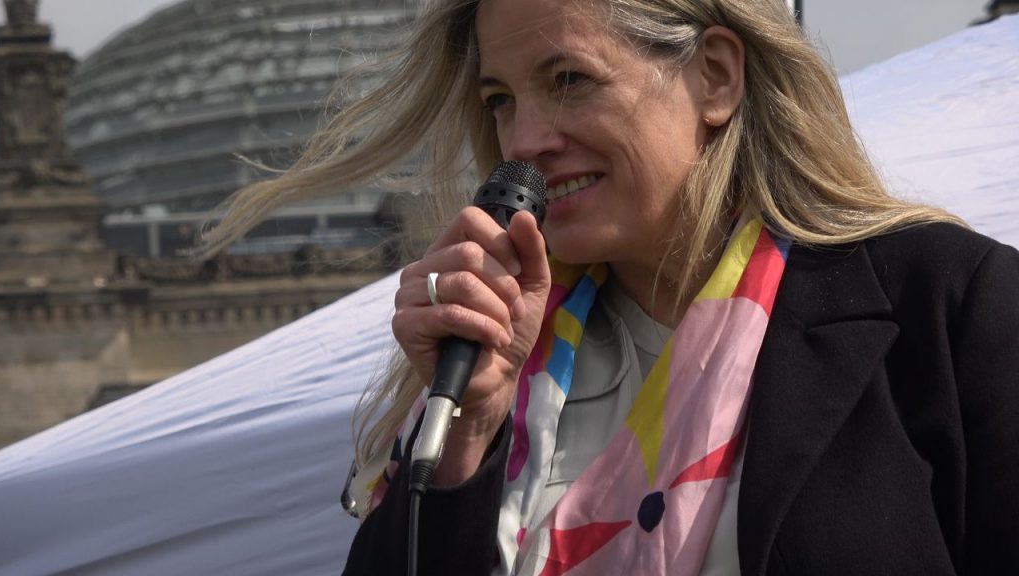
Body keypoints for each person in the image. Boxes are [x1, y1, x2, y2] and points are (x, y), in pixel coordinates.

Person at [204, 0, 1019, 574]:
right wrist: (465, 433)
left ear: (715, 77)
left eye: (569, 80)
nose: (523, 143)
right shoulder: (489, 364)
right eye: (499, 100)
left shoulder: (951, 307)